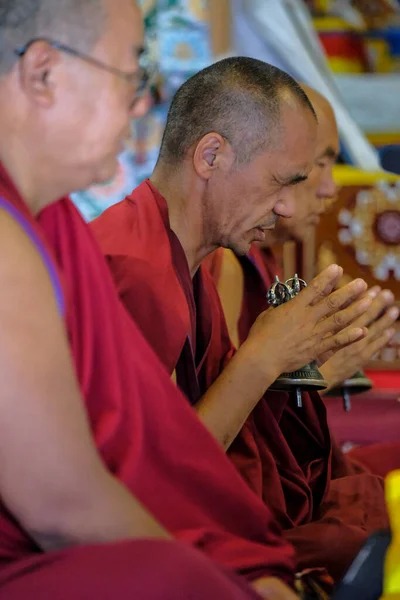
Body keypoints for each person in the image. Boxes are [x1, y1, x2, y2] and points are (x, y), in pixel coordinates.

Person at [0, 2, 311, 598]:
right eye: (130, 74)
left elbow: (145, 443)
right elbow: (59, 504)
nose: (142, 104)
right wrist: (211, 573)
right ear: (43, 75)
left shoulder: (53, 224)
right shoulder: (51, 247)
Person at [91, 57, 387, 581]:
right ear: (211, 155)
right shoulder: (135, 271)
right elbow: (148, 487)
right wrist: (263, 357)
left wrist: (297, 363)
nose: (289, 208)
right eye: (281, 181)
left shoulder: (189, 260)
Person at [205, 85, 400, 477]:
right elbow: (223, 438)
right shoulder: (222, 262)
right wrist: (321, 376)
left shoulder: (268, 255)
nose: (329, 188)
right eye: (317, 165)